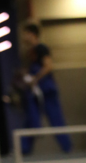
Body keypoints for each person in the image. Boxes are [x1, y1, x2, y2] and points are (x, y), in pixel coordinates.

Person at [20, 23, 71, 155]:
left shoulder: (42, 48)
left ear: (31, 34)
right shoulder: (28, 53)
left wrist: (35, 78)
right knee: (31, 119)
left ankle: (67, 148)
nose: (23, 37)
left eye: (25, 34)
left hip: (46, 88)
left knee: (55, 118)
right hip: (34, 91)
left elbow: (48, 66)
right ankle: (24, 150)